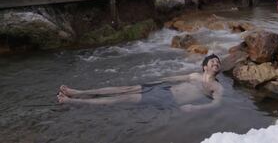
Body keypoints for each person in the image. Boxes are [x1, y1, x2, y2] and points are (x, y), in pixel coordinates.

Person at [57, 54, 223, 112]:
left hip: (168, 100)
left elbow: (216, 104)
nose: (216, 63)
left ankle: (73, 101)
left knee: (124, 98)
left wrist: (196, 107)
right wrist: (156, 81)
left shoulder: (216, 87)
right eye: (213, 61)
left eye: (218, 62)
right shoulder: (194, 75)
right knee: (125, 89)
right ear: (204, 66)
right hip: (163, 89)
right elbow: (173, 79)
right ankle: (79, 92)